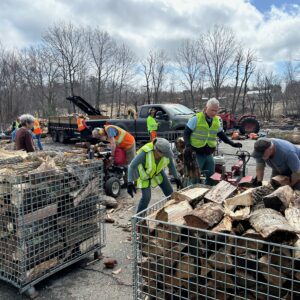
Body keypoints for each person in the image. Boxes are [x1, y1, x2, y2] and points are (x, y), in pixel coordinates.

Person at [183, 98, 242, 185]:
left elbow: (221, 135)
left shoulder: (216, 121)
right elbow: (186, 133)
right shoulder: (196, 119)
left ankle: (209, 194)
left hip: (208, 153)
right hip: (196, 152)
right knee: (194, 178)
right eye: (212, 110)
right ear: (206, 108)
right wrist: (188, 145)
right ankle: (190, 194)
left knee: (212, 176)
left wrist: (232, 143)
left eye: (216, 111)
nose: (214, 113)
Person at [127, 137, 182, 213]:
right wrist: (129, 182)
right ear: (157, 151)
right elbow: (132, 166)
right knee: (146, 197)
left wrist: (177, 178)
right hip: (145, 175)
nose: (167, 155)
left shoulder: (166, 152)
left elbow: (171, 165)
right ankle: (139, 220)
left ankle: (173, 214)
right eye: (165, 154)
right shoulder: (145, 152)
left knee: (170, 193)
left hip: (157, 172)